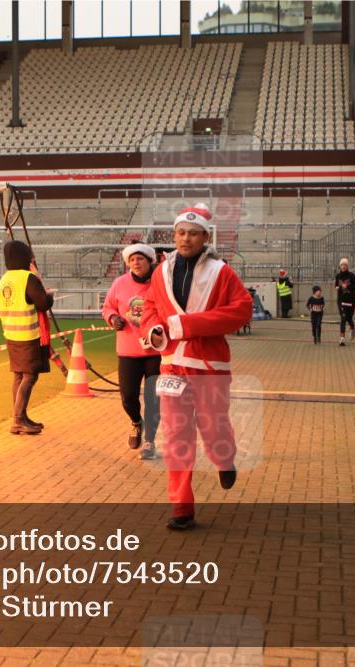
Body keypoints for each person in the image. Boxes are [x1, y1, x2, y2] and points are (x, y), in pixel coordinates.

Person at [142, 203, 253, 531]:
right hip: (172, 367)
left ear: (206, 236)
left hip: (209, 368)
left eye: (193, 233)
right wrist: (154, 330)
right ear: (173, 235)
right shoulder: (160, 272)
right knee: (176, 436)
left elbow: (242, 310)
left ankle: (224, 459)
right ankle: (181, 506)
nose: (185, 238)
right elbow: (150, 307)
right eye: (180, 232)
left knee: (214, 427)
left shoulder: (222, 273)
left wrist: (186, 325)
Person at [102, 243, 161, 460]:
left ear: (149, 261)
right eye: (132, 260)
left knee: (154, 399)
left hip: (155, 351)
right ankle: (136, 422)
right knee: (128, 397)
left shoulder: (159, 283)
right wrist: (113, 318)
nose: (136, 263)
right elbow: (107, 307)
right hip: (128, 351)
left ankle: (150, 441)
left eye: (140, 259)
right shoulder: (119, 283)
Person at [0, 240, 53, 435]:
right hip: (28, 334)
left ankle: (21, 416)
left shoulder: (5, 279)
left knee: (19, 375)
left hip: (11, 333)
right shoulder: (27, 278)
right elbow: (43, 303)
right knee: (30, 375)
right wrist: (49, 295)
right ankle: (18, 420)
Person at [334, 258, 355, 346]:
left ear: (347, 266)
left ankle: (352, 328)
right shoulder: (338, 276)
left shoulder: (351, 275)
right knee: (343, 318)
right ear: (340, 266)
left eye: (345, 265)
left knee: (349, 318)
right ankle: (342, 338)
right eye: (342, 265)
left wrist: (348, 286)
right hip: (341, 300)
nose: (343, 266)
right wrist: (338, 287)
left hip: (351, 300)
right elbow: (336, 285)